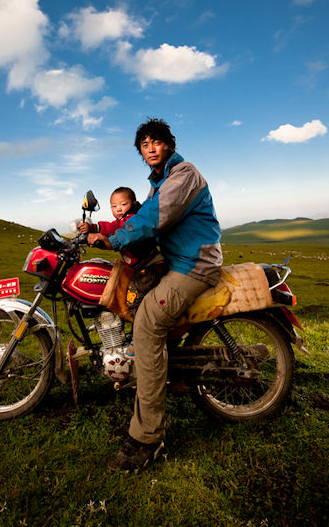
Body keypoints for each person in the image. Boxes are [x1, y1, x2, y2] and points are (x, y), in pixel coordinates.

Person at [88, 118, 222, 471]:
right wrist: (105, 231)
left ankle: (149, 436)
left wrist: (115, 238)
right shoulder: (158, 182)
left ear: (169, 144)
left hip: (194, 264)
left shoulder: (183, 174)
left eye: (156, 141)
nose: (150, 148)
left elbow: (154, 216)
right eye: (144, 144)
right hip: (175, 259)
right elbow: (145, 214)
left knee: (147, 324)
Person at [78, 187, 156, 266]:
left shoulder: (133, 218)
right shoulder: (123, 220)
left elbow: (115, 226)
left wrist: (93, 228)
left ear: (134, 204)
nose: (118, 209)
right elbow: (113, 226)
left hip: (149, 262)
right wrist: (93, 229)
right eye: (114, 206)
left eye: (123, 204)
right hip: (137, 265)